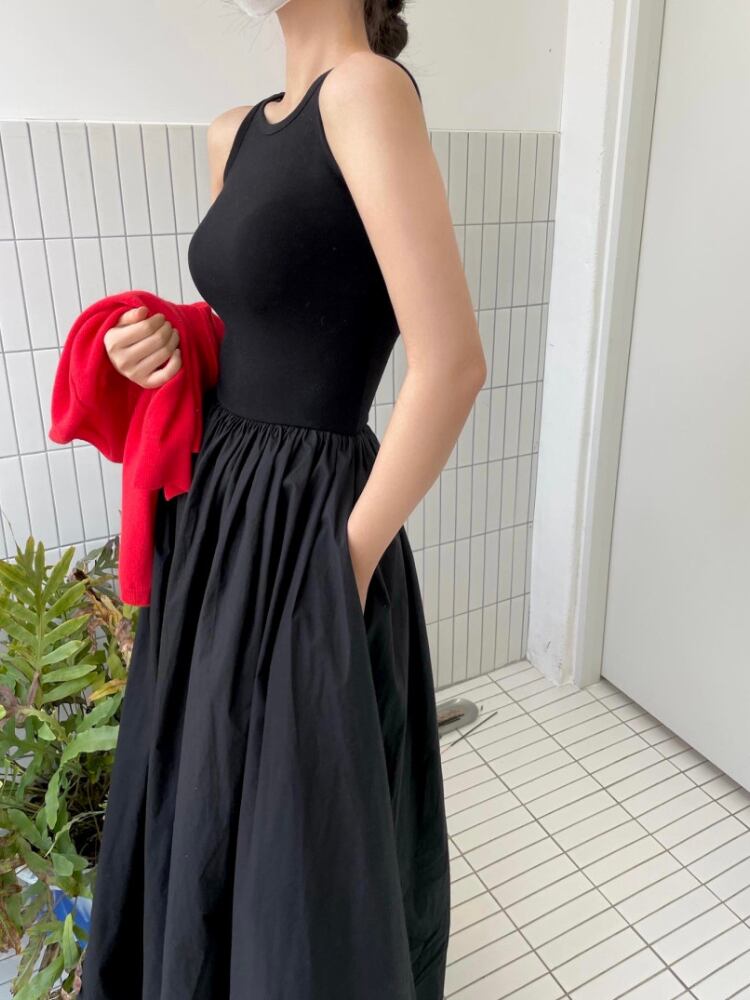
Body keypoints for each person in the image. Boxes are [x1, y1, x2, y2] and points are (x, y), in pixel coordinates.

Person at [81, 0, 486, 997]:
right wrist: (172, 338)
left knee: (291, 827)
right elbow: (256, 327)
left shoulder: (368, 93)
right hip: (218, 511)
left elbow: (451, 364)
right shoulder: (234, 132)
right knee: (207, 788)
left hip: (308, 522)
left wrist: (342, 563)